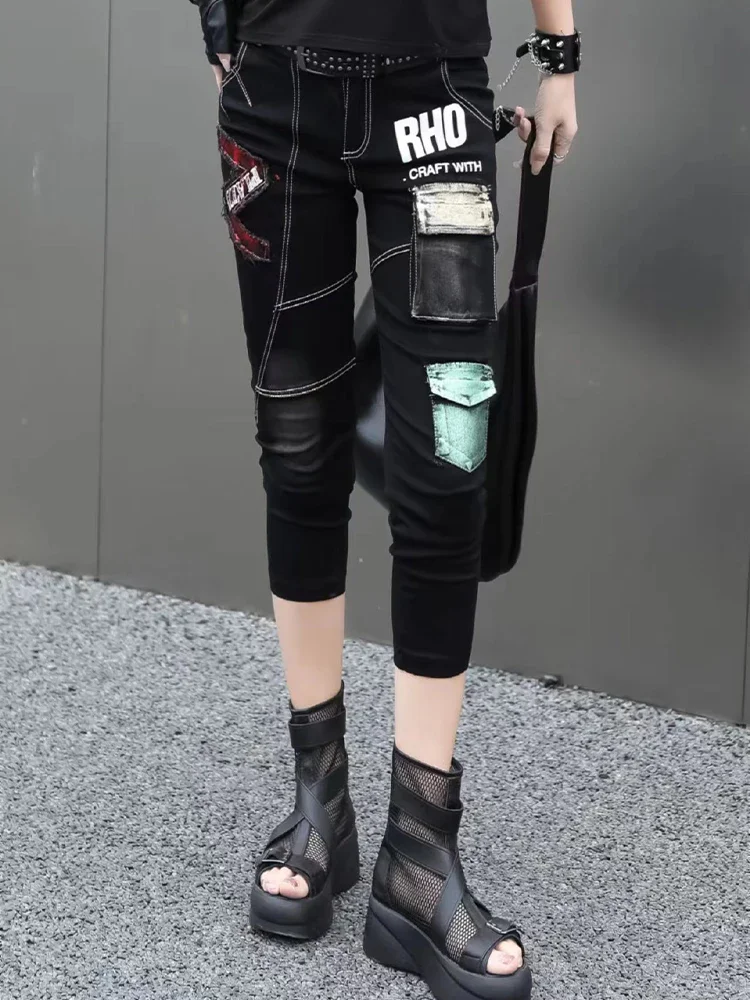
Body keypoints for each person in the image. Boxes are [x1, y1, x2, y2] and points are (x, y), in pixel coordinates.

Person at [189, 2, 578, 997]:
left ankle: (420, 852)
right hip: (277, 94)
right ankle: (320, 799)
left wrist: (561, 53)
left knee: (448, 471)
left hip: (433, 99)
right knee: (298, 452)